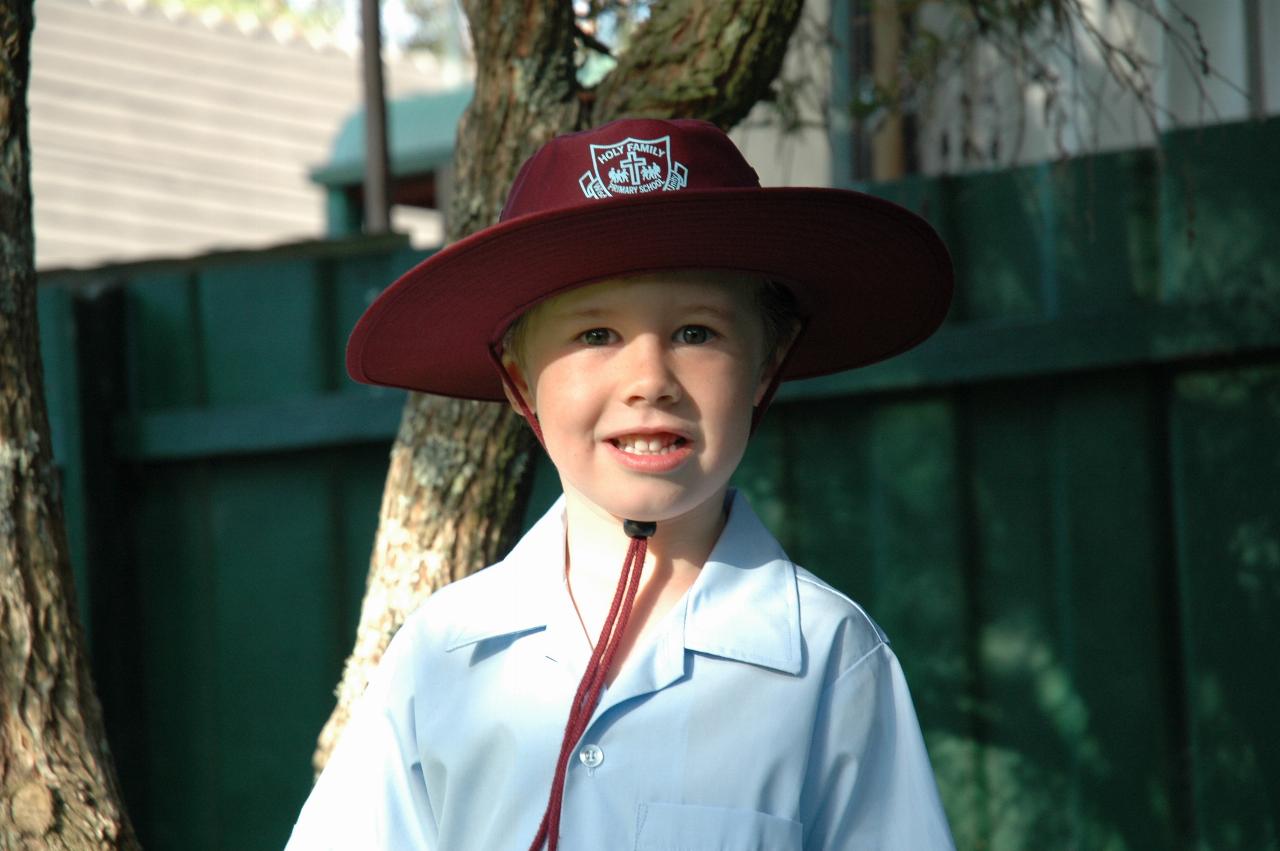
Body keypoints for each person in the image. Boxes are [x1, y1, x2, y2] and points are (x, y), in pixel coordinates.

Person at [286, 117, 956, 850]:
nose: (649, 381)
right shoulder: (443, 654)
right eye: (595, 335)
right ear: (517, 379)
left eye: (697, 332)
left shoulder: (832, 660)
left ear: (767, 363)